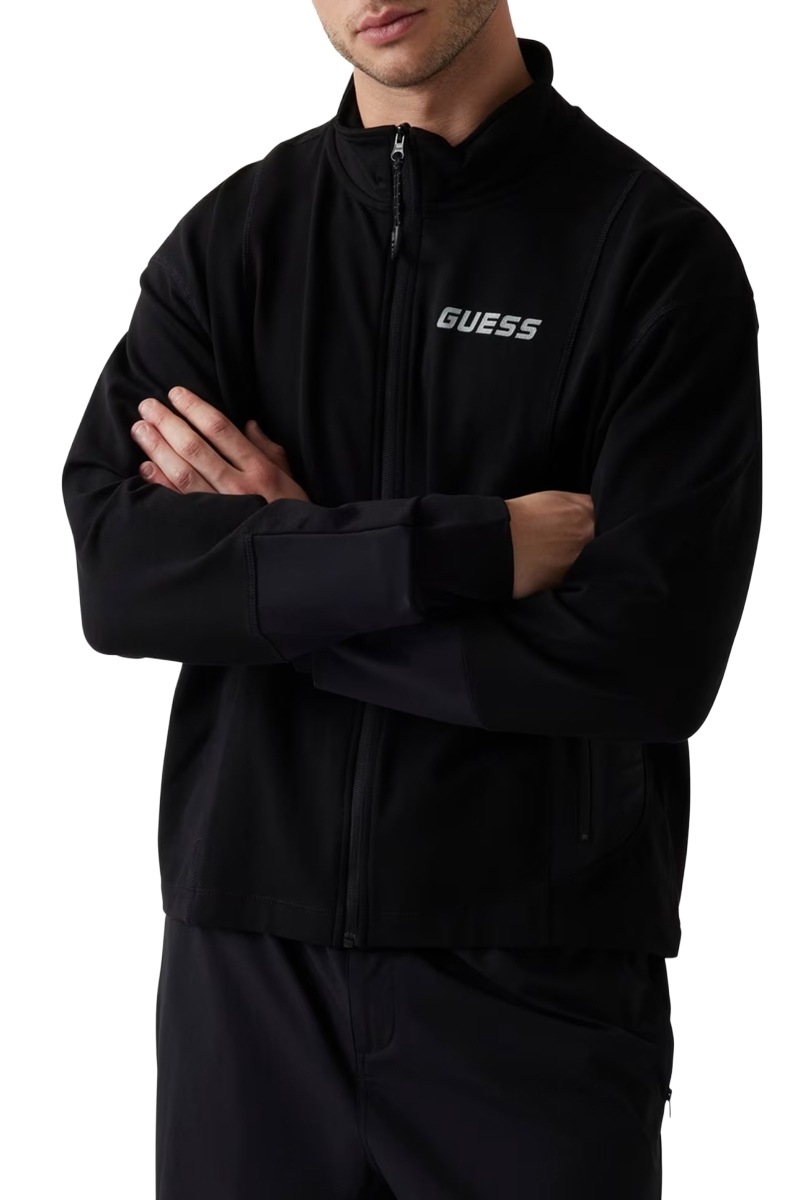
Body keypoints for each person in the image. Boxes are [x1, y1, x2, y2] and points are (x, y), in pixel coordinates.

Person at [61, 2, 762, 1197]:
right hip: (248, 975)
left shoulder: (648, 252)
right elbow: (122, 581)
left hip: (532, 981)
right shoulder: (234, 242)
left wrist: (283, 578)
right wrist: (460, 549)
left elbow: (645, 661)